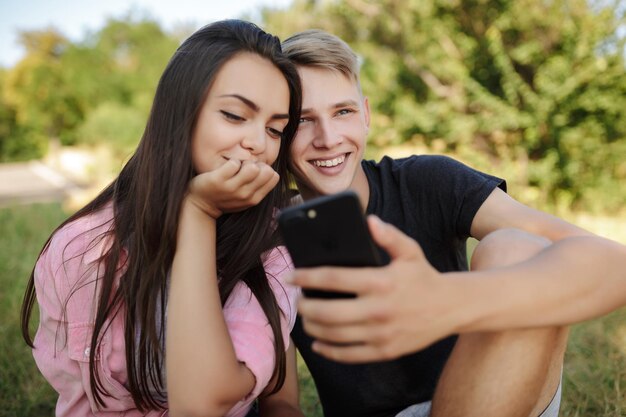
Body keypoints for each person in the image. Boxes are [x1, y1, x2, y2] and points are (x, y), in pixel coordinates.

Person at [280, 29, 626, 417]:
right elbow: (280, 402)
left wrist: (449, 300)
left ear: (366, 116)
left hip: (505, 388)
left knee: (514, 246)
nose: (327, 138)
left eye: (342, 112)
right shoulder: (266, 236)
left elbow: (611, 263)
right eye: (303, 120)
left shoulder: (426, 181)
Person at [20, 20, 305, 417]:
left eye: (275, 129)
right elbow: (80, 403)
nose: (258, 144)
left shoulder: (273, 245)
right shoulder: (81, 249)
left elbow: (203, 404)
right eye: (235, 116)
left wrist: (199, 212)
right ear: (180, 112)